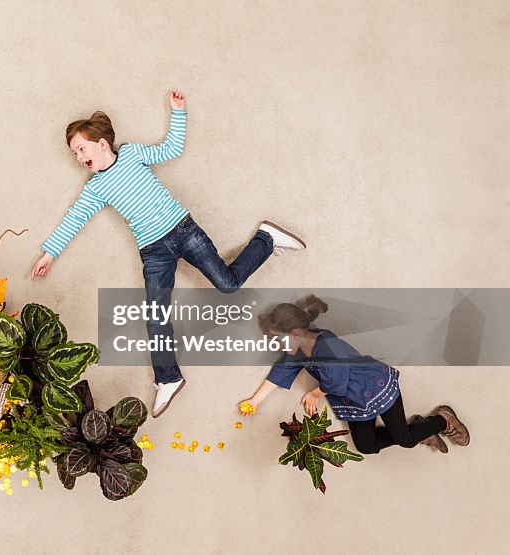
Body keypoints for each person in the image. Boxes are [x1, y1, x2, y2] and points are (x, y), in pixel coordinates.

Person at [30, 90, 305, 418]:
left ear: (102, 143)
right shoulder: (95, 188)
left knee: (228, 284)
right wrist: (49, 254)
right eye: (74, 153)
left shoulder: (131, 154)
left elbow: (171, 148)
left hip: (183, 231)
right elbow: (74, 219)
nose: (78, 156)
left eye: (81, 148)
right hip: (153, 251)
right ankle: (168, 378)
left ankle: (267, 239)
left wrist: (178, 112)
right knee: (155, 316)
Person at [240, 295, 470, 454]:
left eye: (278, 339)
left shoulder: (327, 344)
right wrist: (255, 401)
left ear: (297, 332)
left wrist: (315, 394)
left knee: (405, 441)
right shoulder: (299, 348)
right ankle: (418, 431)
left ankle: (441, 420)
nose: (277, 345)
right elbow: (281, 371)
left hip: (376, 386)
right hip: (355, 400)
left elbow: (336, 379)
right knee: (367, 446)